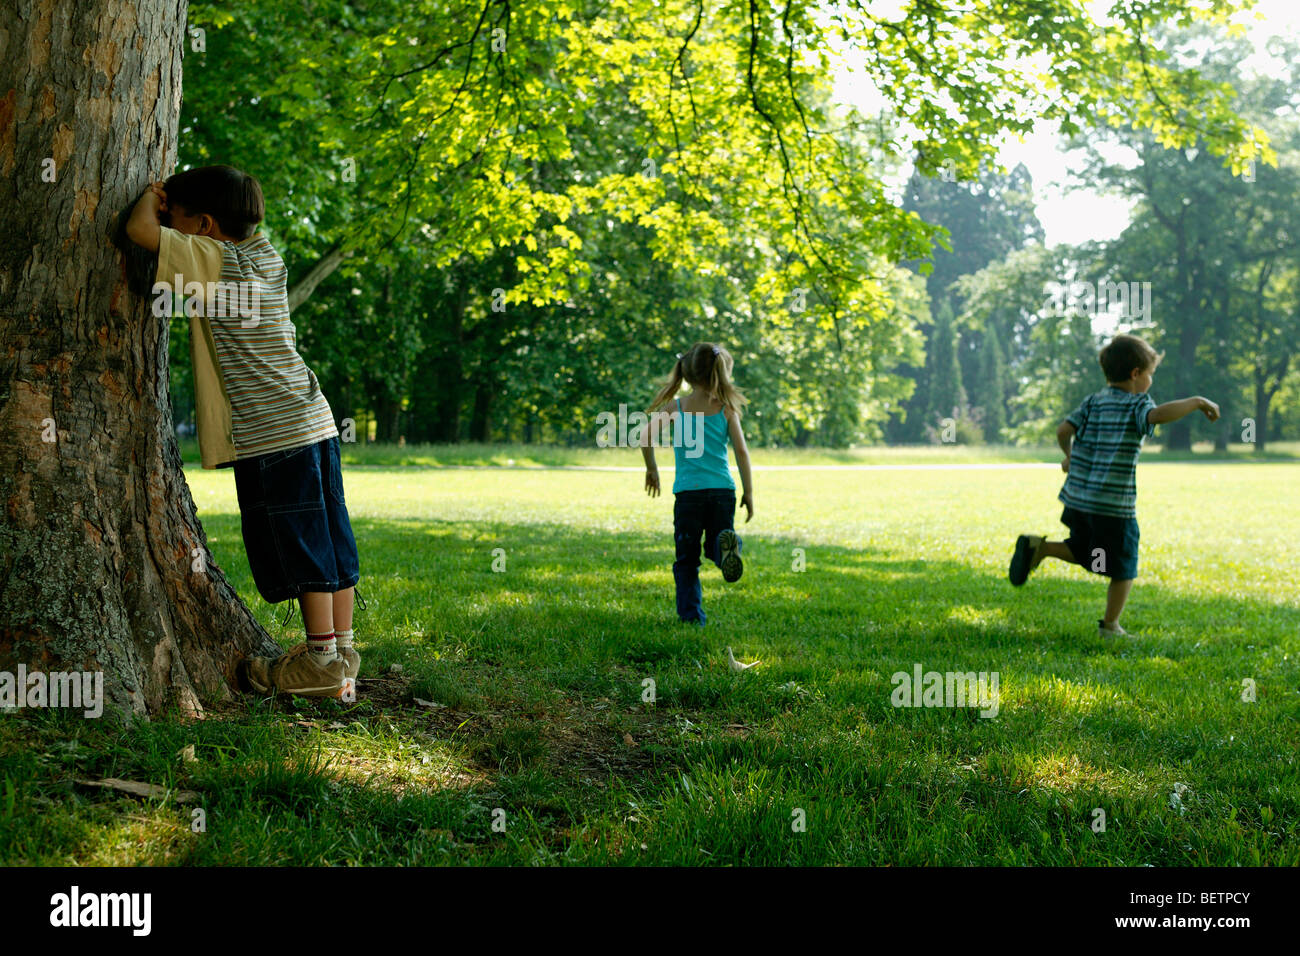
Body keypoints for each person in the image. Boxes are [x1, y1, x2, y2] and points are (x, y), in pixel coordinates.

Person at [125, 165, 360, 696]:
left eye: (178, 220)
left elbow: (139, 231)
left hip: (275, 435)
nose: (169, 225)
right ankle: (341, 651)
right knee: (330, 536)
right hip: (312, 419)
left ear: (204, 225)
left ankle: (320, 663)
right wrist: (176, 207)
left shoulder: (214, 262)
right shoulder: (265, 255)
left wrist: (148, 195)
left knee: (300, 545)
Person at [1009, 333, 1219, 637]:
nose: (1150, 381)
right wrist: (1198, 402)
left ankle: (1038, 548)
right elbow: (1158, 415)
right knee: (1123, 564)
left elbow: (1062, 430)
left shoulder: (1092, 402)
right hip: (1112, 506)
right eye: (1150, 374)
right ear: (1136, 374)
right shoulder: (1138, 404)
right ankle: (1110, 625)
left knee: (1086, 549)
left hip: (1078, 501)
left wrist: (1070, 457)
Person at [641, 343, 754, 624]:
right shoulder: (726, 409)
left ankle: (692, 618)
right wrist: (748, 492)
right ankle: (726, 547)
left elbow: (644, 437)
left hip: (689, 495)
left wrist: (652, 469)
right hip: (722, 492)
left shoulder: (676, 407)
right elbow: (741, 452)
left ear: (688, 375)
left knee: (687, 560)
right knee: (717, 539)